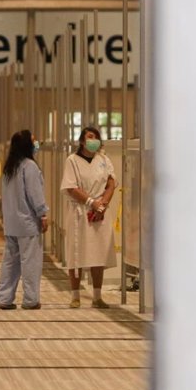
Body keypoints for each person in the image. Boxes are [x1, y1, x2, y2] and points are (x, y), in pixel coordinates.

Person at [60, 127, 117, 308]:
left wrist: (103, 204)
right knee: (76, 251)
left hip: (100, 212)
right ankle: (75, 296)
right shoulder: (73, 160)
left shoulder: (104, 160)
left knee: (98, 253)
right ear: (82, 141)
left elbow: (111, 183)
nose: (94, 140)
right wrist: (91, 202)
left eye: (97, 137)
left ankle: (97, 297)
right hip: (80, 211)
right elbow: (71, 187)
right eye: (90, 137)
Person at [0, 130, 49, 310]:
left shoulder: (9, 167)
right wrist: (43, 214)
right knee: (30, 262)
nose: (36, 144)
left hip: (11, 223)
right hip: (27, 223)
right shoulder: (29, 166)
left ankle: (4, 298)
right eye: (34, 141)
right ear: (27, 145)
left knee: (10, 262)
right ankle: (31, 299)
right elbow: (35, 194)